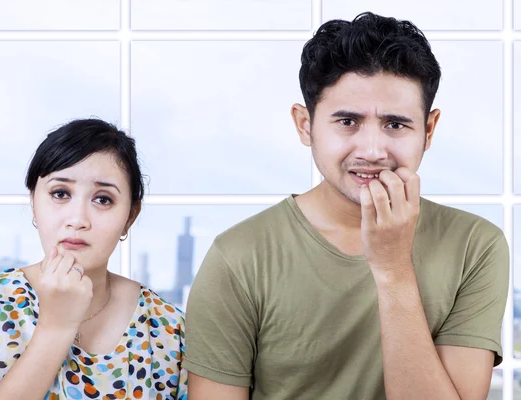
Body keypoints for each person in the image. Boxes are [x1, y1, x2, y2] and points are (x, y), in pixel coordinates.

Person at [184, 12, 509, 400]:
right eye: (348, 122)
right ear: (305, 126)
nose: (372, 151)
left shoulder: (476, 246)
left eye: (395, 125)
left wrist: (392, 270)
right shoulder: (238, 256)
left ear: (430, 129)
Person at [0, 119, 188, 399]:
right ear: (33, 203)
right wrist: (55, 328)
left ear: (130, 217)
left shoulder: (168, 329)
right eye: (60, 193)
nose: (78, 219)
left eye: (103, 199)